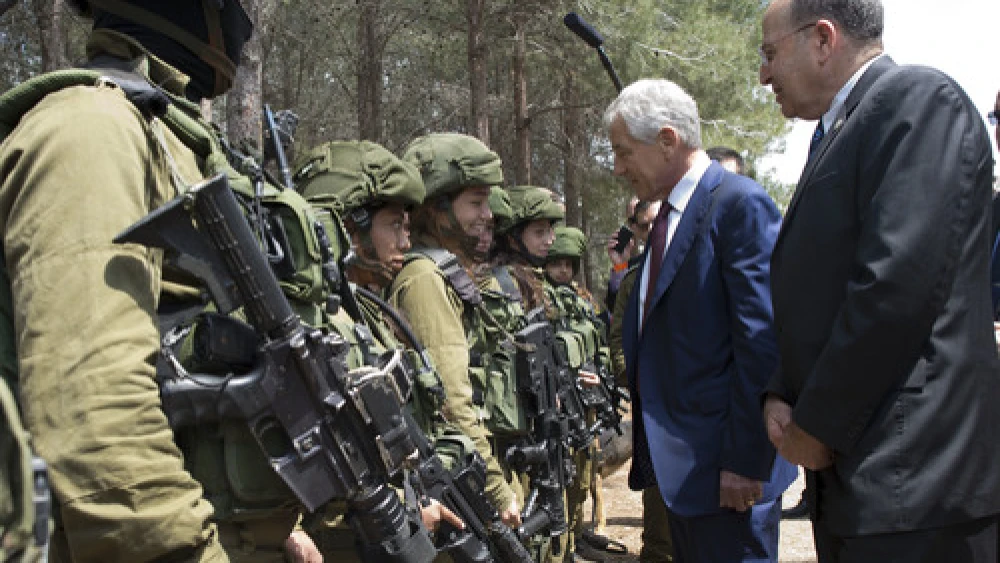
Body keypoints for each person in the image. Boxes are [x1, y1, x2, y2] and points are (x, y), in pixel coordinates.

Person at [0, 0, 327, 560]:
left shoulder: (169, 138)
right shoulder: (92, 128)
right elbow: (99, 428)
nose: (240, 24)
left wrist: (277, 528)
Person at [759, 1, 1000, 561]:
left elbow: (894, 285)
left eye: (770, 53)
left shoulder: (917, 101)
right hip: (866, 487)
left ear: (823, 39)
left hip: (915, 487)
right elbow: (824, 294)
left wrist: (815, 427)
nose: (763, 74)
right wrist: (779, 390)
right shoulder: (842, 128)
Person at [605, 78, 796, 562]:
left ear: (667, 140)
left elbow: (761, 341)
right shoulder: (669, 217)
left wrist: (744, 461)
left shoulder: (737, 204)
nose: (617, 166)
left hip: (727, 479)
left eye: (624, 151)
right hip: (687, 479)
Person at [292, 140, 465, 560]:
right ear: (346, 227)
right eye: (394, 226)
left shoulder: (363, 311)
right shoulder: (303, 321)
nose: (405, 242)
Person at [391, 133, 521, 529]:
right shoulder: (425, 279)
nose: (488, 215)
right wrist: (498, 490)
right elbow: (450, 401)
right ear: (437, 208)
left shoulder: (445, 272)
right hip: (451, 479)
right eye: (476, 203)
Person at [605, 198, 660, 315]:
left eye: (655, 220)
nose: (650, 228)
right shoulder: (629, 267)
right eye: (634, 220)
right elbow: (616, 310)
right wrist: (620, 266)